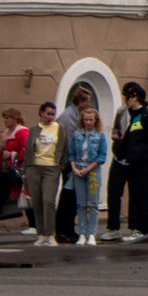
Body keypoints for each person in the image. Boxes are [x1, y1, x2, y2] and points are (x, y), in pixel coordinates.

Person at [120, 82, 148, 241]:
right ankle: (135, 228)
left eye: (127, 98)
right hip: (132, 163)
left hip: (141, 164)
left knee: (142, 195)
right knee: (135, 195)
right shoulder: (134, 117)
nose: (126, 101)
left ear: (135, 98)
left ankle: (143, 228)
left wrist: (145, 160)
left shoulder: (146, 117)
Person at [23, 101, 64, 247]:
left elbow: (64, 148)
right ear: (41, 113)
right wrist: (25, 171)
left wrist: (60, 166)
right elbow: (28, 149)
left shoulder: (59, 128)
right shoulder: (34, 129)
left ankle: (50, 233)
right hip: (34, 168)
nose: (51, 117)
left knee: (48, 200)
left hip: (52, 168)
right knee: (37, 201)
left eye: (53, 114)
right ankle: (41, 233)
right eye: (48, 114)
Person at [54, 87, 90, 243]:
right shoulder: (68, 117)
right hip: (70, 163)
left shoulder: (74, 115)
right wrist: (74, 164)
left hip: (73, 162)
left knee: (73, 197)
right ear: (80, 101)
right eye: (87, 101)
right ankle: (63, 230)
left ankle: (68, 229)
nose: (89, 104)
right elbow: (69, 143)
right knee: (68, 197)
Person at [68, 107, 108, 245]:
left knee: (92, 203)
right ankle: (82, 234)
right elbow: (71, 153)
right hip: (78, 169)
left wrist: (87, 169)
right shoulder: (77, 135)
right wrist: (74, 168)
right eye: (86, 120)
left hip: (92, 171)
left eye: (91, 120)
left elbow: (101, 157)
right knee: (80, 204)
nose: (88, 122)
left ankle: (92, 234)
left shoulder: (100, 136)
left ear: (95, 120)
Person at [0, 107, 29, 234]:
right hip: (4, 169)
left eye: (8, 118)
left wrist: (12, 154)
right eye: (5, 118)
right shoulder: (5, 134)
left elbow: (26, 150)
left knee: (23, 196)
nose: (5, 121)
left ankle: (33, 224)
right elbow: (1, 154)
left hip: (16, 170)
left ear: (15, 119)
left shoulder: (22, 132)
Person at [102, 90, 133, 240]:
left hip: (133, 160)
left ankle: (134, 227)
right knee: (113, 193)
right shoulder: (121, 112)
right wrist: (116, 136)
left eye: (128, 97)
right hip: (119, 157)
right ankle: (113, 227)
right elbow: (115, 128)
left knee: (134, 194)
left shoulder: (141, 115)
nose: (126, 100)